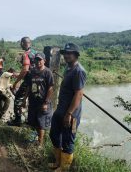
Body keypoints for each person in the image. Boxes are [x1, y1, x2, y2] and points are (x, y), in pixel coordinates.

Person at [49, 43, 87, 172]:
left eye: (69, 53)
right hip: (61, 109)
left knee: (67, 140)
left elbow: (79, 94)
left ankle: (64, 169)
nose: (66, 55)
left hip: (71, 113)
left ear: (76, 55)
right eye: (65, 53)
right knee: (54, 134)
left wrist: (69, 114)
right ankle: (58, 162)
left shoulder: (79, 71)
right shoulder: (68, 68)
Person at [7, 37, 36, 126]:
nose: (20, 45)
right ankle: (30, 120)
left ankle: (17, 120)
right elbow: (30, 69)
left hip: (28, 81)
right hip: (36, 80)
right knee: (32, 100)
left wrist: (16, 82)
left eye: (21, 43)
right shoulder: (34, 52)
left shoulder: (26, 54)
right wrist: (18, 74)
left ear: (23, 43)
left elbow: (25, 70)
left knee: (18, 98)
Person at [26, 53, 54, 146]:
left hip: (43, 102)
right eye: (36, 60)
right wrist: (25, 99)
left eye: (40, 60)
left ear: (44, 61)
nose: (38, 62)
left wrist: (46, 102)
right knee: (33, 121)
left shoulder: (47, 72)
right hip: (33, 101)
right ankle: (34, 140)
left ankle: (40, 144)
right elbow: (29, 87)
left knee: (41, 123)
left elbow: (50, 88)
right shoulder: (32, 72)